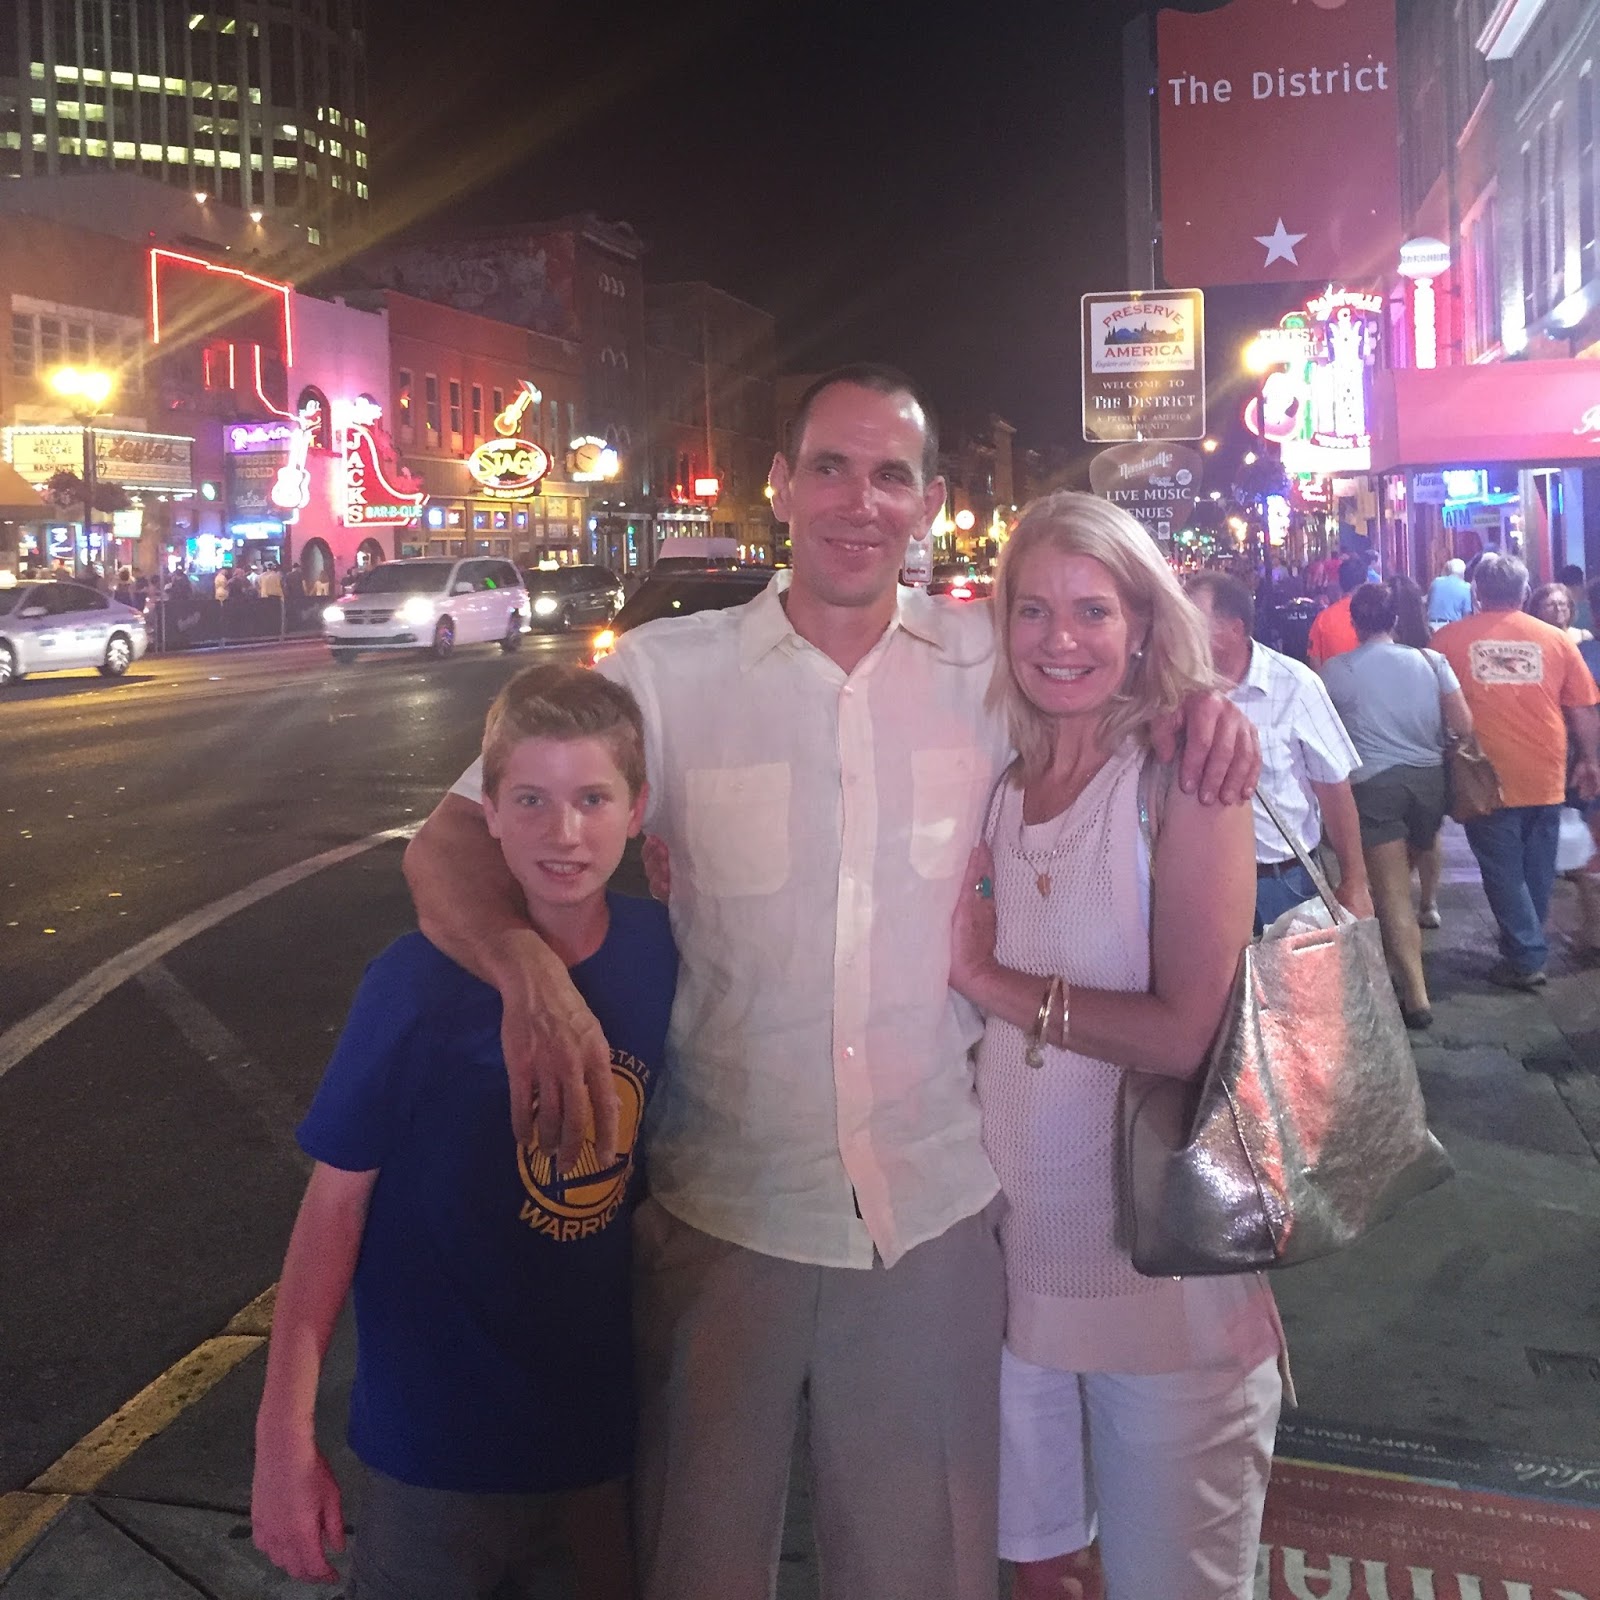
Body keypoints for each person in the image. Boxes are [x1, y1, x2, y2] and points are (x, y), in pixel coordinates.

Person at [402, 364, 1260, 1600]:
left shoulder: (993, 660)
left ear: (929, 501)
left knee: (923, 1570)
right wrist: (527, 973)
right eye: (830, 467)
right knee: (696, 1570)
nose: (860, 501)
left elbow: (1117, 673)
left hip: (932, 1216)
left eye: (890, 475)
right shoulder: (663, 673)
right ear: (781, 484)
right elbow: (451, 837)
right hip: (723, 1210)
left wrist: (1206, 711)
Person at [251, 665, 675, 1599]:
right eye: (530, 800)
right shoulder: (413, 985)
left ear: (638, 810)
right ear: (486, 814)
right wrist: (281, 1435)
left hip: (596, 1447)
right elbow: (332, 1211)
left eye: (592, 799)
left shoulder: (663, 957)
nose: (563, 832)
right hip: (432, 1453)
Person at [947, 494, 1281, 1600]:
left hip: (1162, 1284)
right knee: (1040, 1575)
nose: (1061, 638)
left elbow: (1189, 1032)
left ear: (1142, 625)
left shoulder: (1182, 776)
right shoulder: (999, 781)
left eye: (1093, 610)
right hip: (1018, 1277)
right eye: (1032, 609)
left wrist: (993, 985)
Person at [1434, 554, 1600, 989]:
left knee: (1502, 868)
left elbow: (1433, 707)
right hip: (1547, 770)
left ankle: (1526, 954)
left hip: (1483, 774)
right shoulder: (1555, 640)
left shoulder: (1447, 641)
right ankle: (1525, 943)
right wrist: (1590, 760)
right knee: (1537, 866)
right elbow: (1583, 707)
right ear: (1525, 593)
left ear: (1477, 592)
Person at [1321, 583, 1475, 1028]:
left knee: (1390, 893)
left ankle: (1416, 995)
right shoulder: (1431, 661)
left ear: (1355, 622)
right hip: (1429, 784)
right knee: (1403, 875)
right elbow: (1463, 723)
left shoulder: (1337, 671)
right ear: (1395, 620)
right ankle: (1401, 950)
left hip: (1375, 785)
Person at [1188, 571, 1372, 931]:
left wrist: (1354, 881)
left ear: (1235, 629)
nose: (1178, 632)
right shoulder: (1173, 689)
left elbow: (1334, 790)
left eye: (1192, 622)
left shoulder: (1295, 685)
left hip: (1282, 883)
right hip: (1200, 885)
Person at [1306, 554, 1367, 668]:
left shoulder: (1322, 619)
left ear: (1339, 583)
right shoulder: (1374, 616)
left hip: (1332, 679)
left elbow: (1315, 664)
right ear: (1365, 582)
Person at [1528, 581, 1593, 646]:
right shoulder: (1532, 640)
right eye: (1550, 605)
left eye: (1562, 604)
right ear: (1538, 610)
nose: (1558, 609)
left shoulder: (1583, 637)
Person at [1426, 557, 1473, 632]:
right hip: (1451, 628)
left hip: (1431, 627)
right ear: (1463, 573)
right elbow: (1467, 614)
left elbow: (1428, 604)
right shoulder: (1466, 587)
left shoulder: (1436, 582)